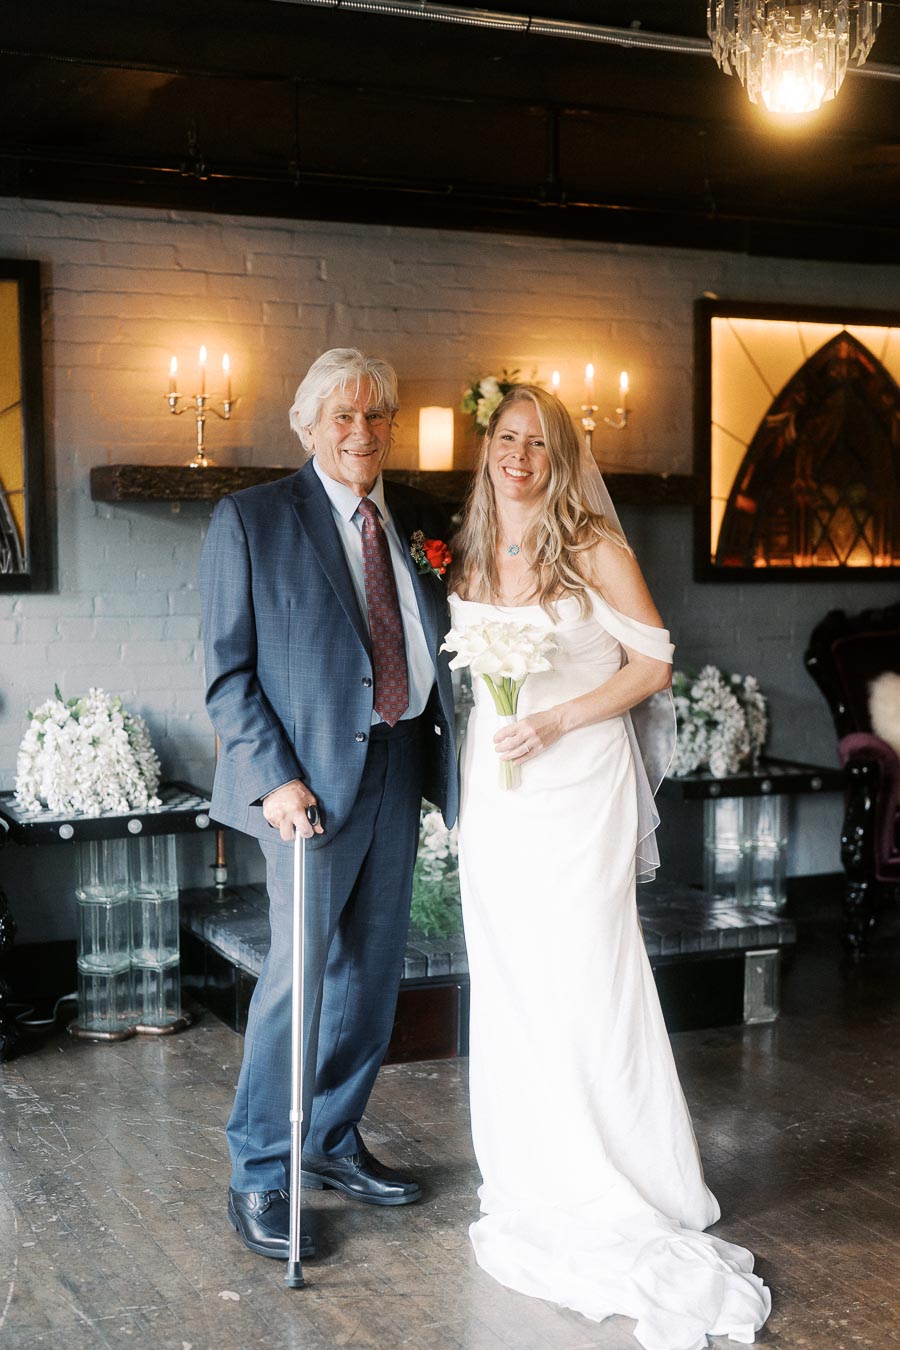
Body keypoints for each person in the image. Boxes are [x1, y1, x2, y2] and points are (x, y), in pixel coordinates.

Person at [445, 384, 771, 1350]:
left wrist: (554, 717)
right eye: (507, 439)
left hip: (576, 775)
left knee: (587, 973)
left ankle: (627, 1174)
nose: (520, 457)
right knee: (512, 978)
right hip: (498, 784)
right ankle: (534, 1163)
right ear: (487, 449)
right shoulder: (471, 549)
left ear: (563, 458)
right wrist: (507, 724)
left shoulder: (590, 544)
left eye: (539, 444)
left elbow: (655, 662)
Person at [200, 347, 458, 1262]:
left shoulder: (418, 522)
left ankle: (331, 1140)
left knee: (372, 976)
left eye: (377, 415)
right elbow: (228, 676)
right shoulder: (252, 520)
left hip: (401, 765)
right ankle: (260, 1170)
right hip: (304, 790)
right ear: (308, 427)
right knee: (298, 979)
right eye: (342, 417)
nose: (362, 432)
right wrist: (274, 778)